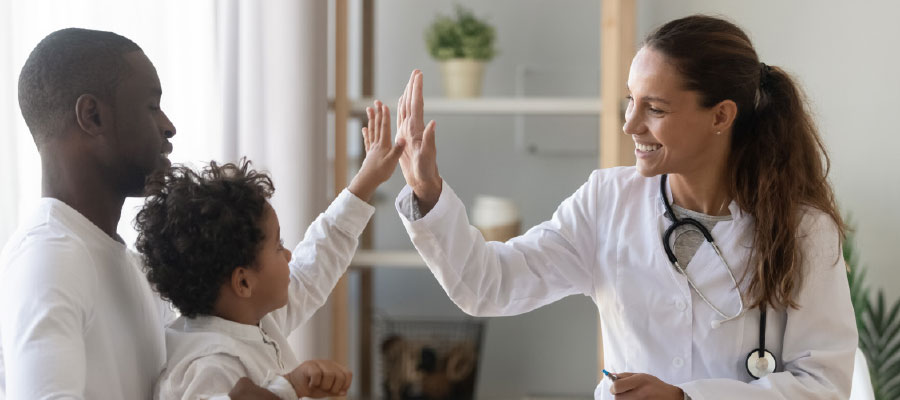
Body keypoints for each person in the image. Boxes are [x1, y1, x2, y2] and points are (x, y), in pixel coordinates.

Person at [392, 15, 857, 400]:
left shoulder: (803, 230)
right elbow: (487, 285)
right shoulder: (607, 202)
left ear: (721, 116)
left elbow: (824, 385)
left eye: (654, 108)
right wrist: (428, 194)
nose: (630, 124)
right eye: (630, 101)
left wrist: (687, 397)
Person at [0, 28, 275, 399]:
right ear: (92, 116)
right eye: (151, 106)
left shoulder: (124, 263)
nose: (168, 125)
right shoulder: (49, 259)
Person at [136, 102, 404, 399]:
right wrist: (291, 386)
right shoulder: (205, 364)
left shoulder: (253, 318)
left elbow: (316, 263)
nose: (289, 255)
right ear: (244, 282)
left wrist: (367, 180)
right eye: (278, 246)